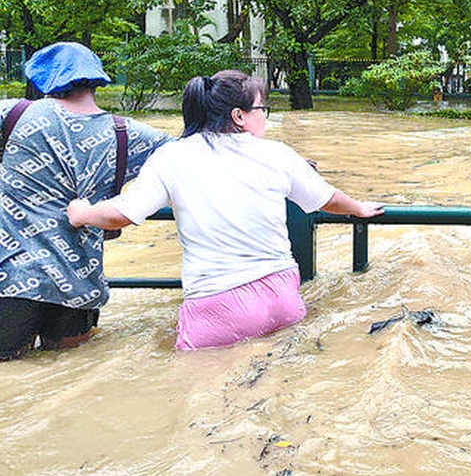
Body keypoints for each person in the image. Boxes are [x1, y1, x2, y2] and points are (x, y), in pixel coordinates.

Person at [67, 70, 384, 351]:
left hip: (218, 305)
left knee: (201, 404)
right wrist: (360, 208)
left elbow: (123, 213)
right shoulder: (278, 153)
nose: (265, 116)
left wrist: (82, 214)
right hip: (283, 296)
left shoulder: (173, 157)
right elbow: (327, 199)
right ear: (239, 116)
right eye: (262, 109)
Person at [0, 42, 172, 360]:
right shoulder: (128, 132)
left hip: (11, 278)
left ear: (43, 79)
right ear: (96, 79)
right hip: (78, 279)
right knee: (68, 366)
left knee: (11, 375)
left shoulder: (14, 114)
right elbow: (190, 154)